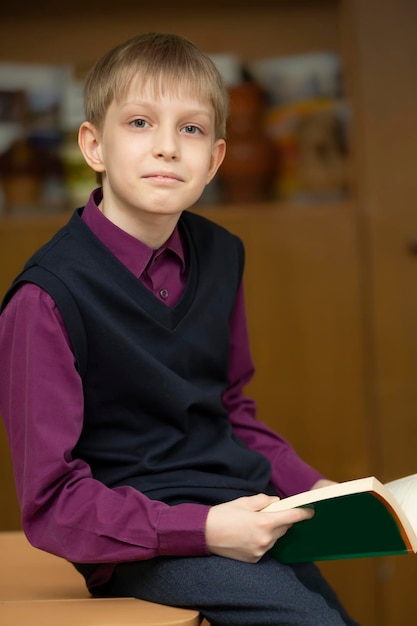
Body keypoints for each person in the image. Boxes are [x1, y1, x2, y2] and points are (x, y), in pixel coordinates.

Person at [0, 33, 359, 626]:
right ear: (94, 145)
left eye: (190, 129)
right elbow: (52, 504)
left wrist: (323, 490)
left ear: (215, 159)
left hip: (241, 503)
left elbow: (230, 410)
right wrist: (207, 528)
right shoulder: (45, 298)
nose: (167, 147)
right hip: (139, 534)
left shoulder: (222, 254)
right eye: (140, 122)